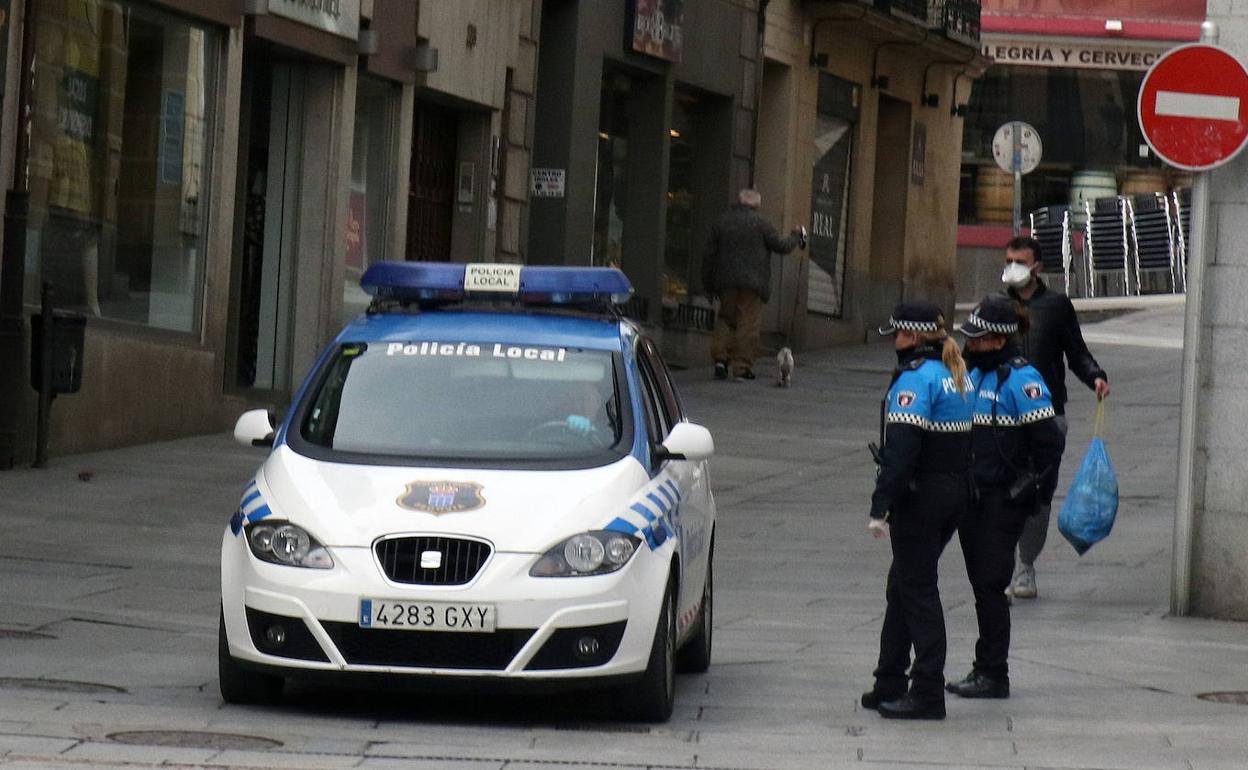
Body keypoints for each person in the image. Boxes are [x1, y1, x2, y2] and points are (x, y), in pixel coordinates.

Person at [946, 295, 1065, 700]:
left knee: (991, 586)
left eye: (977, 339)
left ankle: (993, 672)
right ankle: (986, 667)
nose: (970, 345)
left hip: (1002, 500)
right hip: (971, 499)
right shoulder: (973, 375)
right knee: (981, 585)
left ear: (997, 340)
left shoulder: (1023, 380)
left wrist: (1033, 494)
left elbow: (1049, 444)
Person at [862, 301, 974, 721]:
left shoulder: (916, 379)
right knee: (903, 585)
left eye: (898, 333)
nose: (894, 340)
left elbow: (902, 449)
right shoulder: (954, 373)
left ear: (911, 335)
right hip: (953, 493)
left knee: (918, 589)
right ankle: (889, 677)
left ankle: (927, 689)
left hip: (921, 497)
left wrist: (881, 503)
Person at [1001, 236, 1109, 599]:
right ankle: (998, 566)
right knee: (998, 491)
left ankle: (1025, 566)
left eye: (1020, 260)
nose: (1013, 266)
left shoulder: (1056, 306)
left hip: (1047, 417)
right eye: (1008, 259)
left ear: (1037, 267)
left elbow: (1076, 352)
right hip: (1001, 416)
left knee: (1037, 494)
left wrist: (1095, 376)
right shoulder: (996, 307)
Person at [701, 189, 806, 382]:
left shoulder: (722, 222)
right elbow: (780, 246)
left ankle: (720, 360)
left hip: (726, 282)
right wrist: (795, 236)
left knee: (726, 319)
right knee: (747, 324)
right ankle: (741, 367)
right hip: (753, 283)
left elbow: (708, 255)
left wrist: (708, 284)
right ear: (757, 205)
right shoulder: (761, 223)